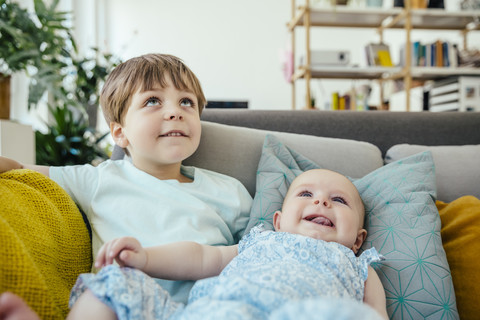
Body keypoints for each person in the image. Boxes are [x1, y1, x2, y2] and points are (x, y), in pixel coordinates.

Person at [0, 53, 252, 311]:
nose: (175, 112)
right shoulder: (99, 178)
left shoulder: (230, 191)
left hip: (209, 307)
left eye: (186, 102)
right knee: (105, 288)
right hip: (123, 305)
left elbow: (262, 250)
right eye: (153, 100)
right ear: (120, 133)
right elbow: (20, 168)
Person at [65, 168, 389, 320]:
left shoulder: (357, 265)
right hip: (208, 313)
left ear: (358, 240)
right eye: (306, 194)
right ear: (278, 221)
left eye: (338, 200)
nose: (321, 202)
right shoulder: (258, 241)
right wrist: (145, 257)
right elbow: (199, 258)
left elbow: (376, 315)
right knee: (115, 284)